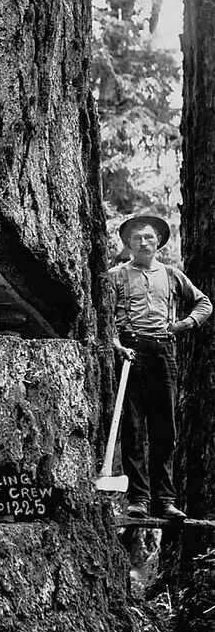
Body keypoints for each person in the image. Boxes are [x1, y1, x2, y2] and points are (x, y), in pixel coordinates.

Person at [111, 214, 212, 519]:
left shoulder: (172, 275)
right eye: (137, 238)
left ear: (158, 243)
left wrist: (183, 325)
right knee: (132, 427)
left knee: (164, 429)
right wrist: (117, 345)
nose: (143, 243)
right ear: (128, 243)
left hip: (163, 352)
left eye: (149, 238)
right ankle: (138, 499)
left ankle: (164, 501)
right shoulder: (115, 276)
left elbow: (203, 303)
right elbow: (101, 317)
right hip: (129, 352)